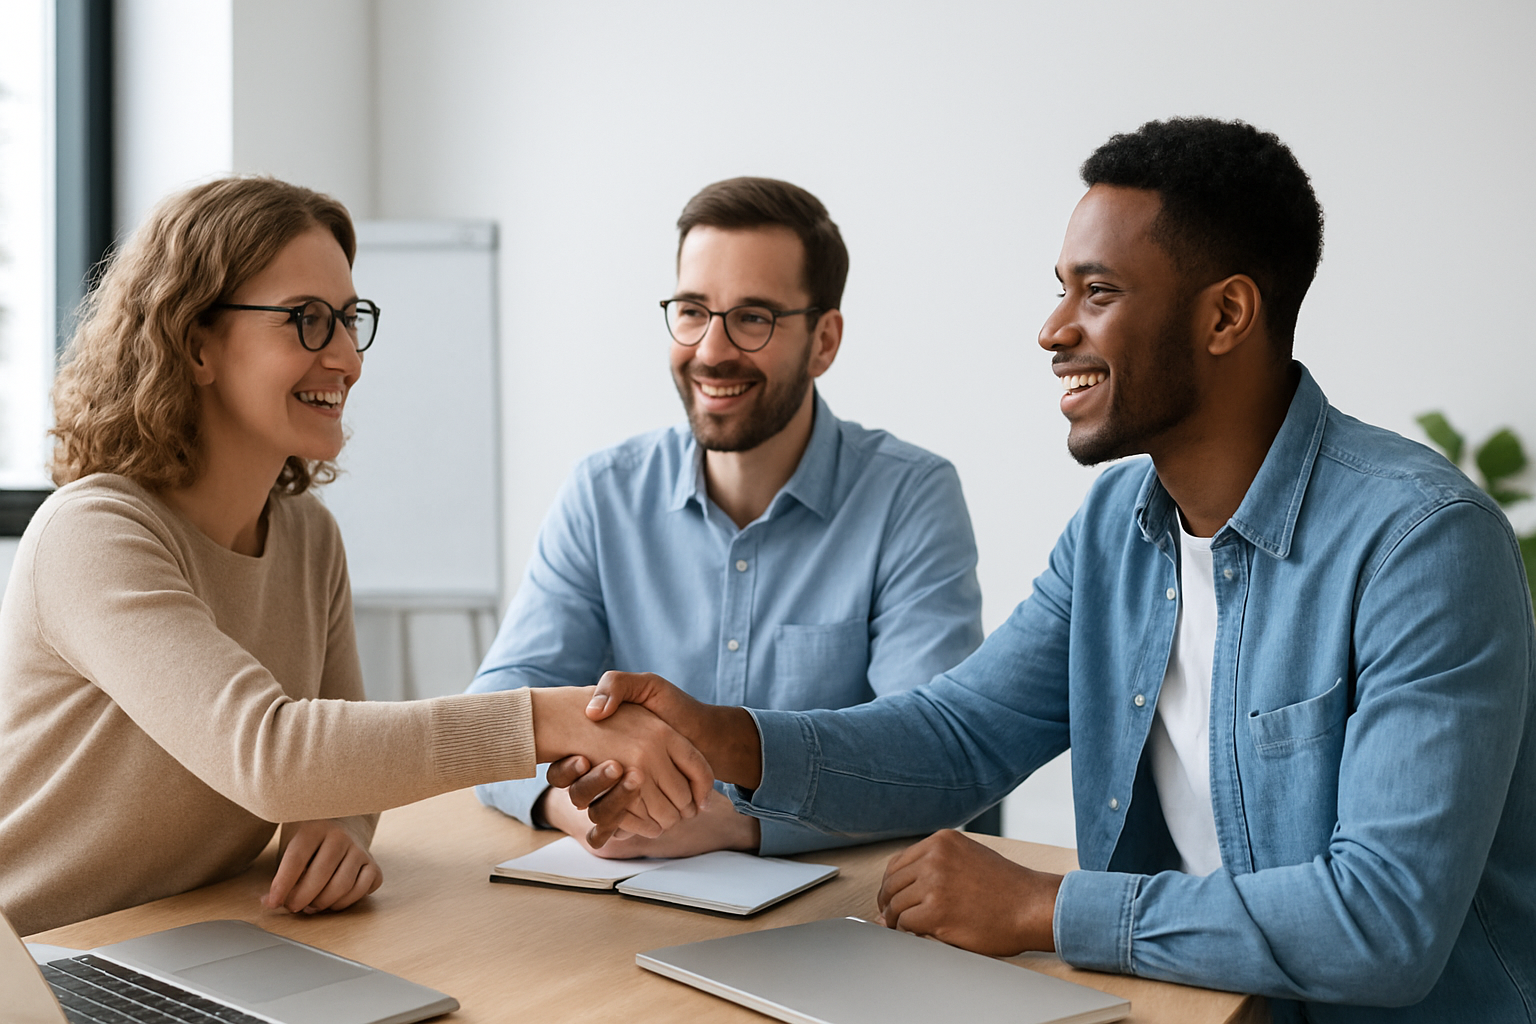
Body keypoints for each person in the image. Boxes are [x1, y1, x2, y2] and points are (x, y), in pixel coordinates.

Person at [562, 119, 1535, 1022]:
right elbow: (958, 738)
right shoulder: (1117, 525)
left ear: (1227, 314)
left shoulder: (1423, 543)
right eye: (1061, 287)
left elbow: (1383, 920)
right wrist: (729, 739)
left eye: (1097, 292)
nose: (1053, 328)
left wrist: (1046, 904)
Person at [0, 177, 712, 938]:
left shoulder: (307, 536)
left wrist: (339, 821)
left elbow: (335, 753)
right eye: (307, 321)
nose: (348, 359)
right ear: (196, 342)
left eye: (348, 320)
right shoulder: (94, 534)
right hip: (32, 961)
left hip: (180, 937)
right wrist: (555, 719)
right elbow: (271, 754)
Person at [468, 176, 983, 858]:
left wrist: (741, 825)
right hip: (621, 890)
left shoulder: (909, 498)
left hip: (832, 903)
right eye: (692, 311)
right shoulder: (602, 494)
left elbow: (932, 758)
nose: (711, 351)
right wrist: (587, 809)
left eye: (753, 318)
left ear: (824, 341)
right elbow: (493, 715)